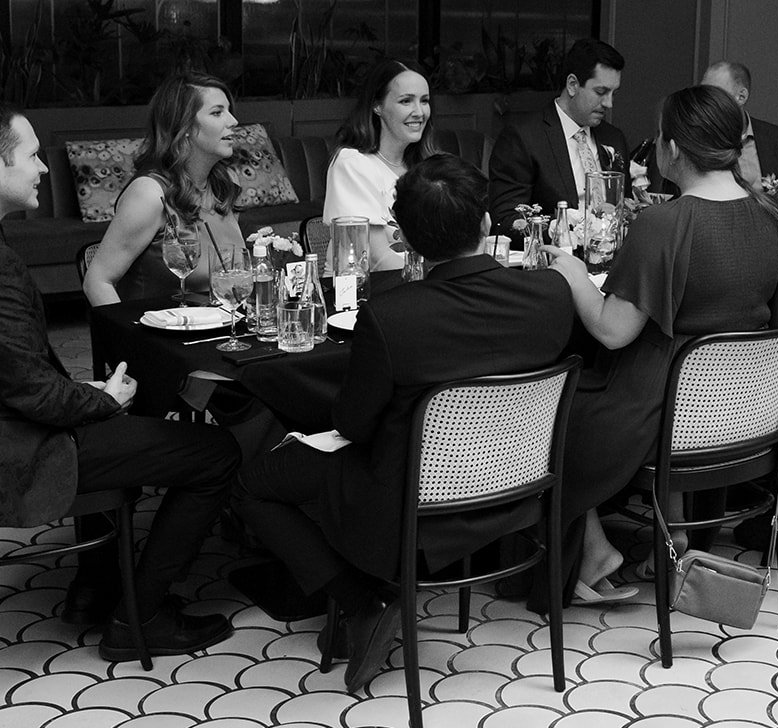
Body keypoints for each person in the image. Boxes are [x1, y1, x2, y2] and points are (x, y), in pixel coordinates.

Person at [0, 100, 240, 660]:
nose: (44, 170)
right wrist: (103, 398)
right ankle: (139, 617)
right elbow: (36, 396)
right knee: (215, 451)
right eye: (31, 156)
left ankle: (93, 588)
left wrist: (93, 397)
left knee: (119, 422)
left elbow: (8, 374)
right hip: (15, 448)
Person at [234, 154, 575, 692]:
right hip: (518, 490)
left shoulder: (393, 317)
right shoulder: (553, 294)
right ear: (486, 224)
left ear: (406, 241)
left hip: (408, 502)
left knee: (253, 482)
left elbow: (354, 423)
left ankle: (362, 600)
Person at [542, 85, 778, 604]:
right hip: (741, 408)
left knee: (550, 414)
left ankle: (594, 550)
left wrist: (570, 272)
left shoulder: (664, 223)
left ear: (673, 149)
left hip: (663, 406)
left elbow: (613, 330)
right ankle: (673, 532)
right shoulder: (770, 217)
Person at [84, 72, 245, 305]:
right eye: (217, 112)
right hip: (158, 334)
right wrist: (127, 337)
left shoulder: (225, 184)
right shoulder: (150, 194)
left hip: (217, 332)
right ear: (184, 125)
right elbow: (97, 281)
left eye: (229, 110)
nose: (233, 121)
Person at [488, 38, 629, 246]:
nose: (609, 103)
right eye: (600, 92)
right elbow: (505, 221)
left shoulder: (613, 138)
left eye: (613, 94)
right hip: (553, 264)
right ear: (572, 85)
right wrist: (560, 229)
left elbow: (622, 207)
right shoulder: (523, 138)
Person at [324, 60, 437, 272]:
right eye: (406, 101)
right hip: (364, 296)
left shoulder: (428, 166)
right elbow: (376, 259)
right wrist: (440, 278)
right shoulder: (352, 163)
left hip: (420, 289)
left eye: (424, 101)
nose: (419, 112)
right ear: (377, 106)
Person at [701, 60, 778, 192]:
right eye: (702, 93)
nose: (704, 100)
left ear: (741, 97)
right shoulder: (696, 138)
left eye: (714, 93)